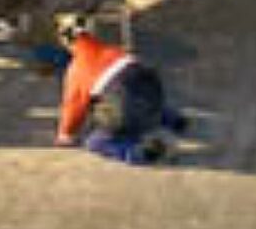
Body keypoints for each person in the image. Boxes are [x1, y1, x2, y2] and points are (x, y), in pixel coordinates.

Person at [53, 16, 187, 164]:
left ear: (67, 44)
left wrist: (65, 135)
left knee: (95, 142)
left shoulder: (77, 68)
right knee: (138, 94)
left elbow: (73, 105)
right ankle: (173, 120)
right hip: (154, 96)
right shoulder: (114, 51)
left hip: (127, 111)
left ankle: (140, 153)